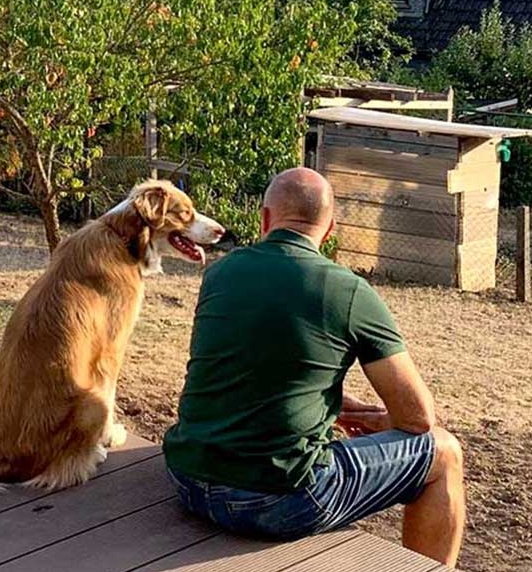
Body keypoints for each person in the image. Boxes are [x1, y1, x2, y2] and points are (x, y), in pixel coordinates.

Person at [162, 167, 466, 568]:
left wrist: (330, 404)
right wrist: (378, 422)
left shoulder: (220, 272)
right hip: (276, 500)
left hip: (188, 480)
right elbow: (418, 418)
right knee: (444, 452)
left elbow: (249, 369)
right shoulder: (348, 290)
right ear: (330, 229)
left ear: (265, 219)